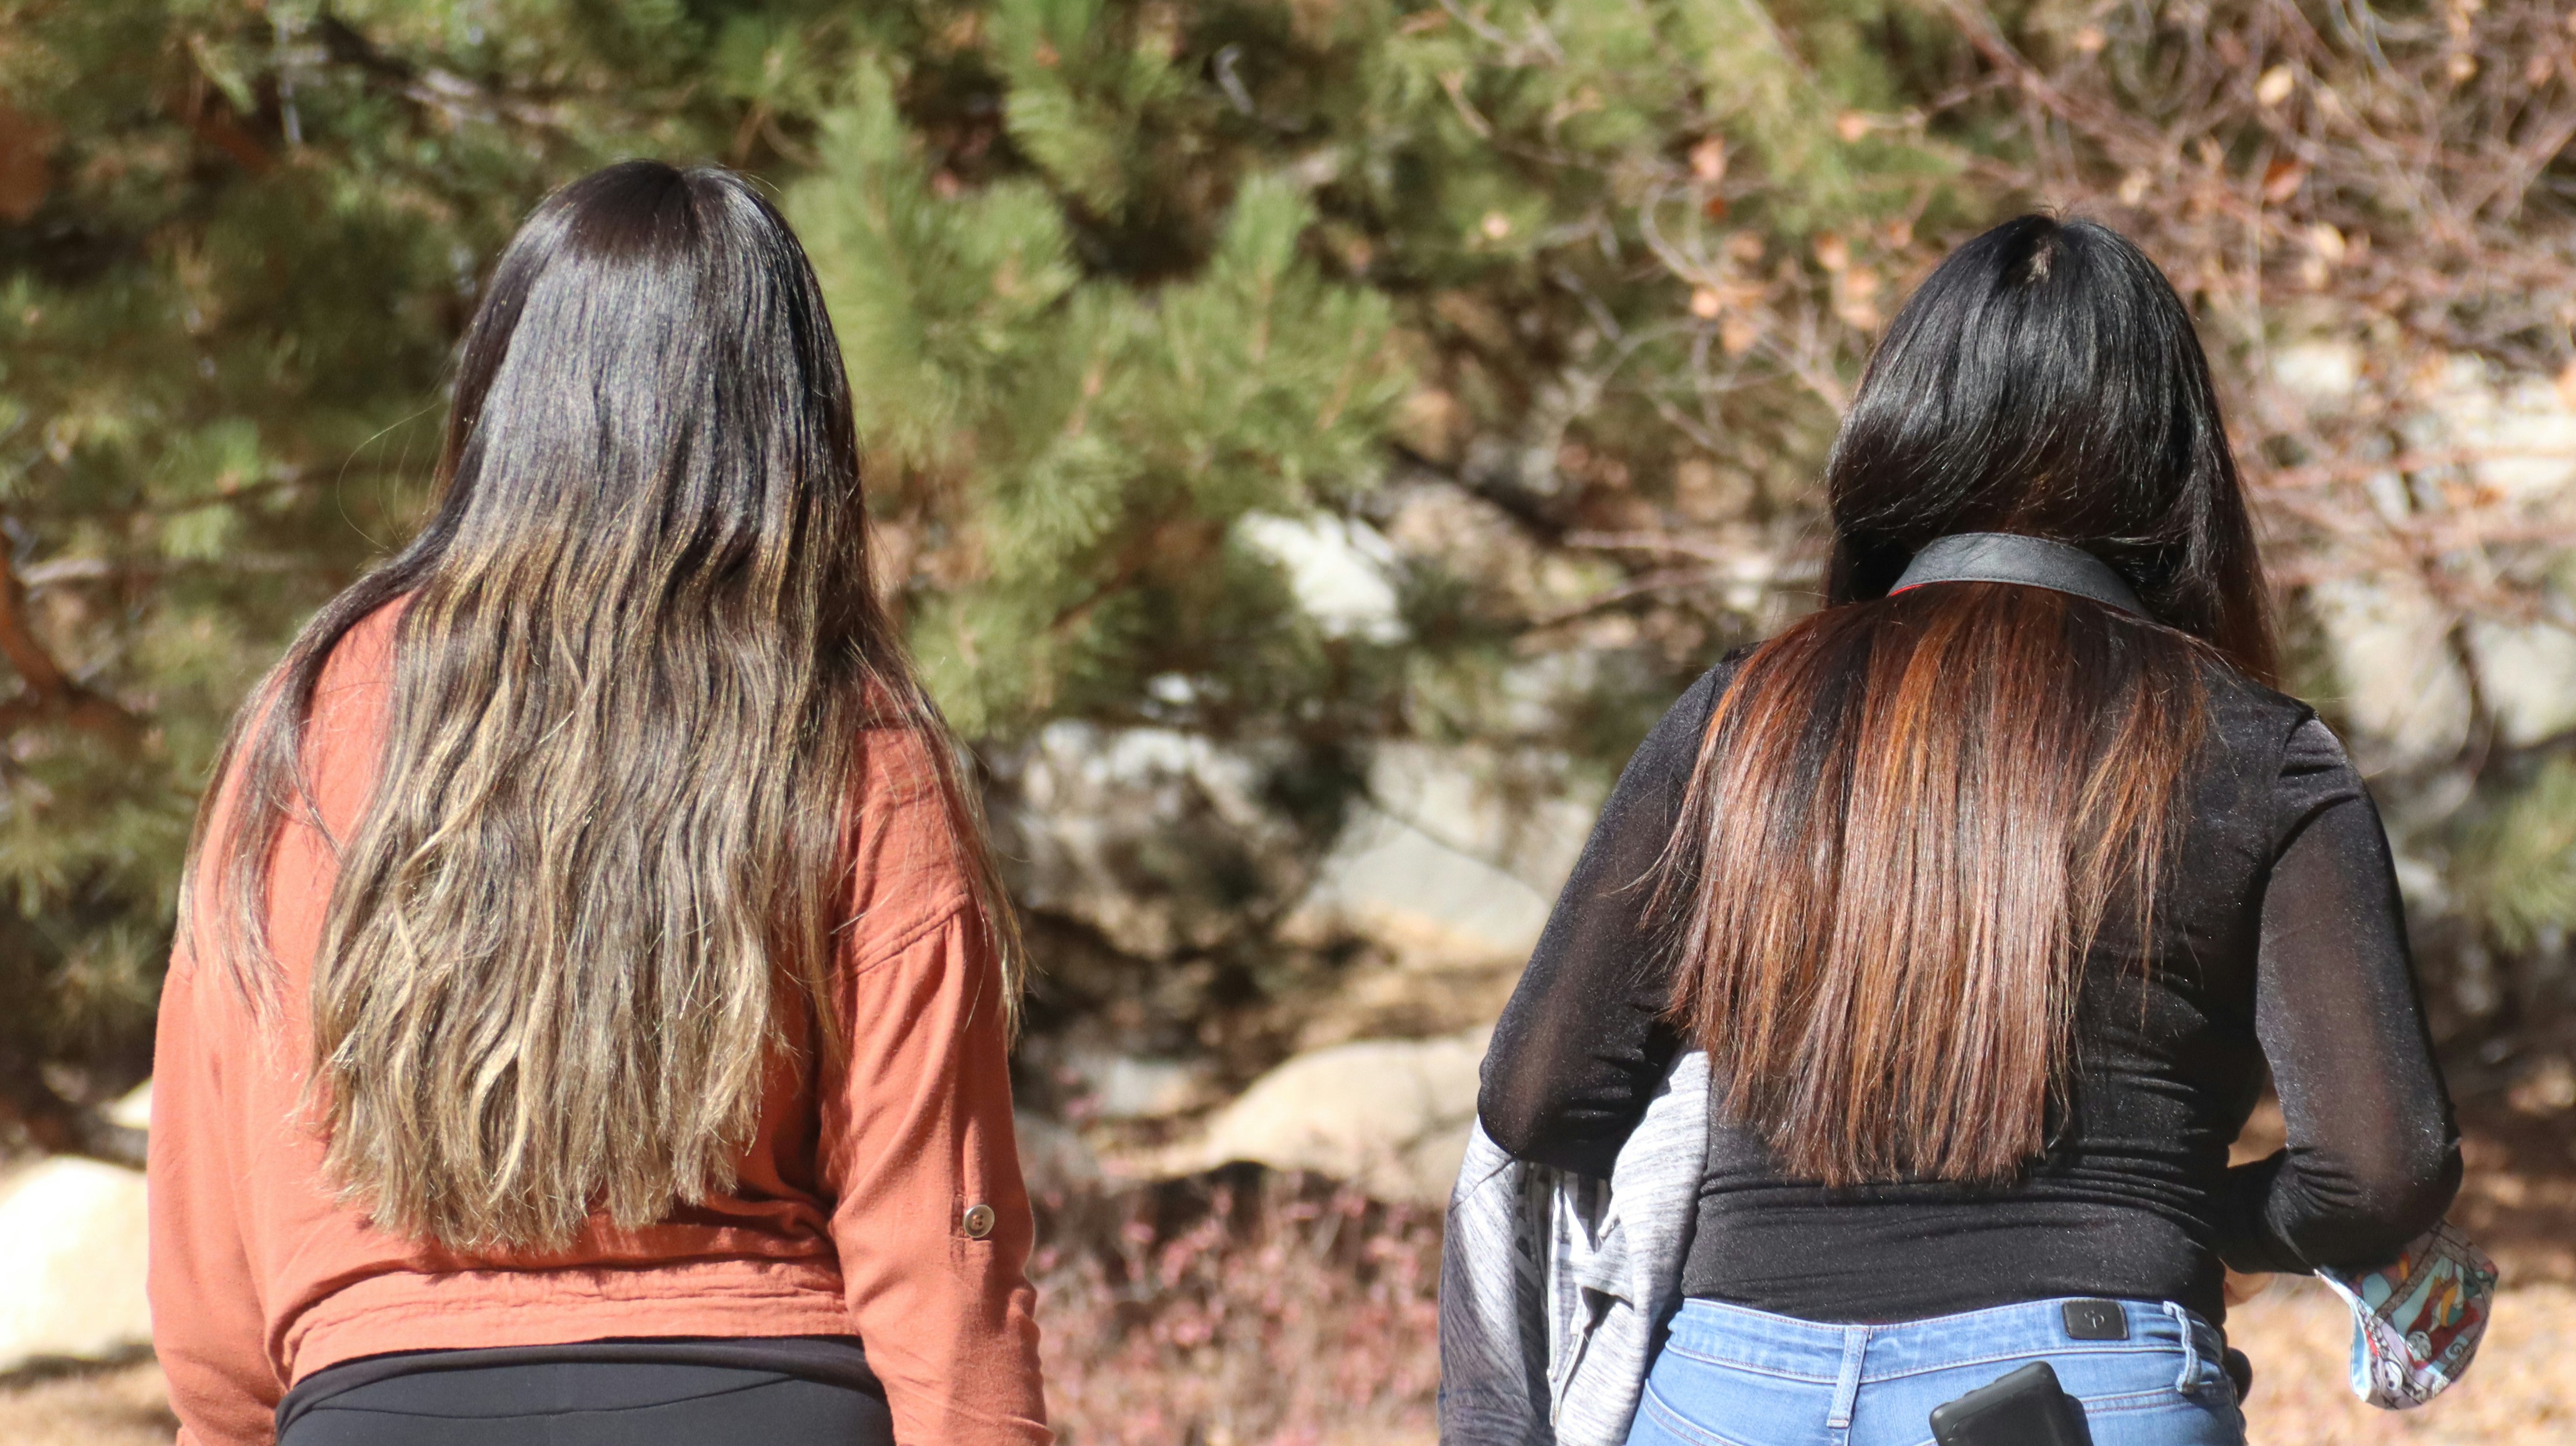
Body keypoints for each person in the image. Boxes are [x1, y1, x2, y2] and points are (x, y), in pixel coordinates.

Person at [1476, 214, 2461, 1446]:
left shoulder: (1737, 713)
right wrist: (2198, 1212)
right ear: (2174, 464)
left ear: (1900, 426)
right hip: (2088, 1389)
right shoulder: (2257, 751)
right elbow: (2380, 1166)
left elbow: (1534, 1098)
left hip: (1732, 1387)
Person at [146, 162, 1050, 1446]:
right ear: (790, 421)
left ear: (505, 390)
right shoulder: (848, 734)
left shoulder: (313, 711)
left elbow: (218, 1235)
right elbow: (938, 1244)